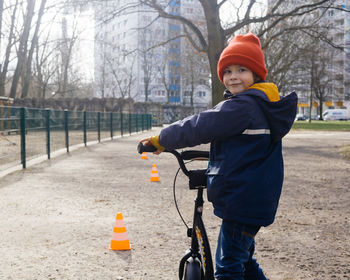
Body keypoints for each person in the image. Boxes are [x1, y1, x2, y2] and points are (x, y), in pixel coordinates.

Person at [140, 33, 297, 279]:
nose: (233, 76)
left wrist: (162, 139)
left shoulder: (243, 106)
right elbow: (245, 155)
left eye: (242, 69)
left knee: (227, 268)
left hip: (243, 201)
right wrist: (211, 173)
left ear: (256, 74)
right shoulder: (262, 104)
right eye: (227, 71)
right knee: (242, 260)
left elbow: (200, 125)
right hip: (253, 196)